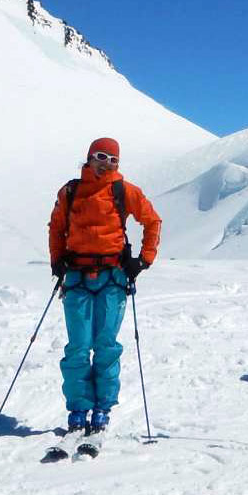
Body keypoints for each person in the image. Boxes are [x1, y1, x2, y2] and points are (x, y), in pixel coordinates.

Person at [47, 137, 163, 436]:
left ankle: (102, 407)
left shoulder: (124, 190)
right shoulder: (70, 191)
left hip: (113, 277)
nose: (107, 163)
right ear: (89, 157)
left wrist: (144, 259)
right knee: (78, 347)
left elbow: (152, 222)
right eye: (101, 156)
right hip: (76, 276)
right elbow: (57, 228)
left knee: (106, 346)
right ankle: (78, 408)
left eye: (113, 160)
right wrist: (57, 260)